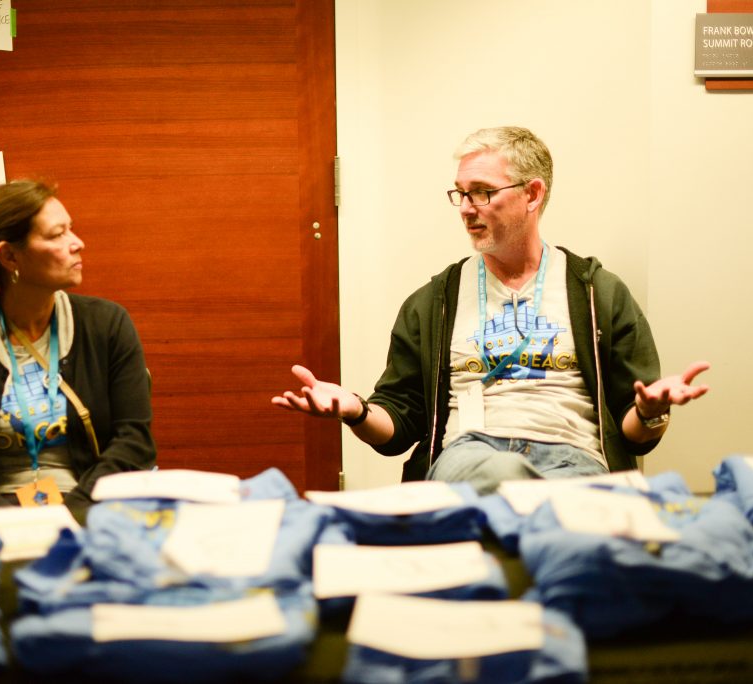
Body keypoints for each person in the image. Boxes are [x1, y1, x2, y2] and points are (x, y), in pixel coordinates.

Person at [273, 126, 709, 494]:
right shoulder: (435, 303)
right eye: (460, 194)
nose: (465, 209)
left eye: (481, 193)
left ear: (532, 194)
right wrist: (357, 411)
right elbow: (398, 428)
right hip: (471, 456)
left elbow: (635, 435)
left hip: (574, 460)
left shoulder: (598, 294)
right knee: (504, 478)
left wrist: (652, 413)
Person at [0, 180, 155, 516]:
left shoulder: (107, 325)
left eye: (71, 229)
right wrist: (18, 526)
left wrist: (68, 515)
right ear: (10, 256)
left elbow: (135, 443)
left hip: (97, 510)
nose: (78, 243)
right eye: (56, 235)